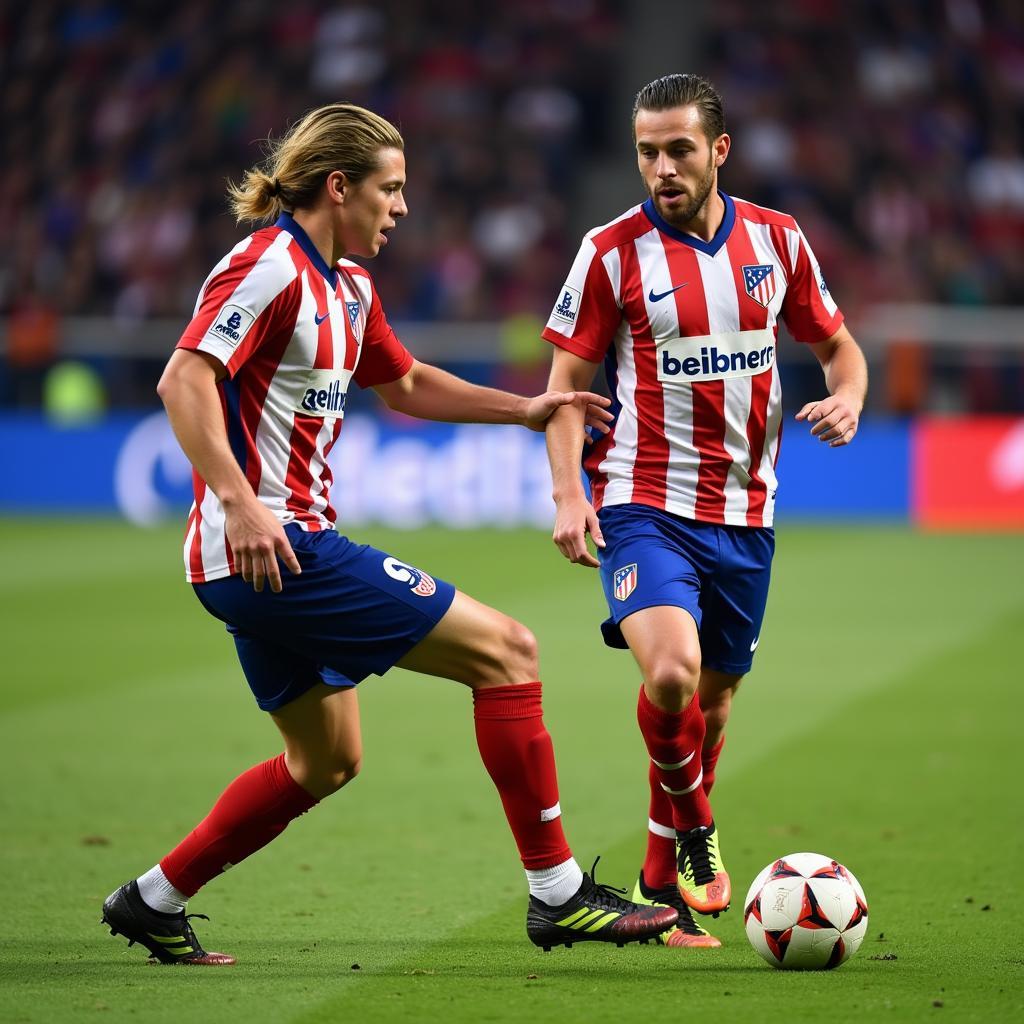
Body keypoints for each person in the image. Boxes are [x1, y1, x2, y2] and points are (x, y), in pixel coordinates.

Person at [100, 102, 677, 965]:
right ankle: (558, 894)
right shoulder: (266, 266)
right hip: (276, 545)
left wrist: (527, 408)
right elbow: (183, 379)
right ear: (340, 188)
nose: (401, 209)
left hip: (261, 558)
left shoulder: (350, 287)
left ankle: (150, 899)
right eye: (390, 189)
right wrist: (241, 500)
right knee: (509, 652)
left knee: (325, 762)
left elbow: (404, 385)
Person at [542, 74, 868, 948]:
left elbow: (839, 347)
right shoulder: (610, 251)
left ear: (718, 150)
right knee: (673, 675)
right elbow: (565, 387)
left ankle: (659, 877)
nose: (660, 167)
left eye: (678, 149)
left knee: (710, 707)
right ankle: (694, 830)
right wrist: (569, 489)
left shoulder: (777, 240)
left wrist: (848, 398)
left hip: (747, 513)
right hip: (643, 501)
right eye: (646, 151)